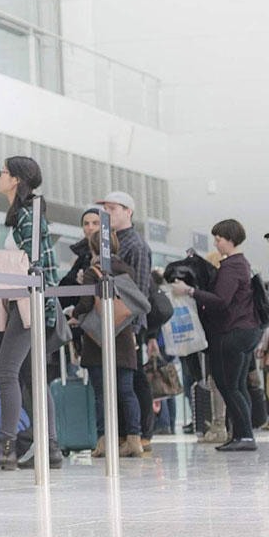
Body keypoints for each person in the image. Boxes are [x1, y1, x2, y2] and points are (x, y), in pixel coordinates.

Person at [0, 156, 62, 470]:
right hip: (25, 304)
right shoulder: (25, 214)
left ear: (15, 179)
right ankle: (51, 446)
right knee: (30, 375)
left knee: (5, 371)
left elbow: (32, 264)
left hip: (30, 304)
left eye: (2, 172)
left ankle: (7, 446)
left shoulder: (28, 215)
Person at [172, 219, 262, 452]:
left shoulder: (232, 266)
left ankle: (245, 436)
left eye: (219, 239)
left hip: (231, 332)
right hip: (246, 331)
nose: (216, 243)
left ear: (230, 239)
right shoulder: (241, 264)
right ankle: (241, 434)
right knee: (238, 385)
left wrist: (190, 290)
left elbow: (221, 300)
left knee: (227, 385)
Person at [70, 230, 144, 458]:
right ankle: (134, 440)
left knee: (102, 394)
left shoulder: (94, 273)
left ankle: (104, 441)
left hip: (97, 340)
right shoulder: (127, 270)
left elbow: (84, 304)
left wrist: (74, 314)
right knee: (126, 392)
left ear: (93, 248)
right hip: (123, 338)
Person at [97, 191, 157, 453]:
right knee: (117, 380)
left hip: (128, 322)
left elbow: (140, 290)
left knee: (133, 379)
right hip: (108, 321)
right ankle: (121, 433)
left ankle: (142, 433)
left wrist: (133, 328)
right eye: (105, 209)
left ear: (128, 211)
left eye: (113, 208)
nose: (107, 213)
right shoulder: (106, 242)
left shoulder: (137, 246)